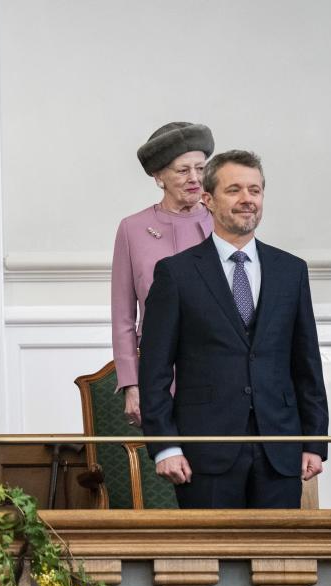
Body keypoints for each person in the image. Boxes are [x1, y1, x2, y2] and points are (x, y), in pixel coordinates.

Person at [139, 150, 328, 508]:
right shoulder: (175, 274)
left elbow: (307, 364)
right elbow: (154, 370)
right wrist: (166, 445)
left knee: (280, 562)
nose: (247, 200)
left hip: (280, 449)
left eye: (254, 191)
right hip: (204, 452)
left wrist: (314, 442)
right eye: (235, 190)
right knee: (212, 561)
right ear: (208, 200)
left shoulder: (291, 270)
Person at [111, 122, 214, 427]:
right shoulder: (132, 228)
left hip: (218, 371)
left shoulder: (223, 223)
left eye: (201, 168)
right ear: (159, 177)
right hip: (159, 371)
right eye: (183, 170)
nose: (194, 178)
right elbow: (122, 316)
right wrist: (131, 383)